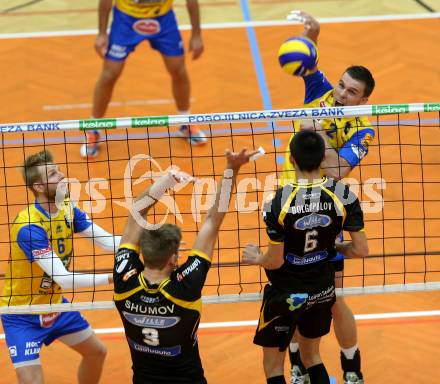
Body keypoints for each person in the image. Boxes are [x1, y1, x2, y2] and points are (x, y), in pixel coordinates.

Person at [280, 11, 376, 384]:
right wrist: (312, 34)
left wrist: (314, 132)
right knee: (285, 295)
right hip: (288, 202)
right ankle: (296, 364)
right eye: (340, 85)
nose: (340, 93)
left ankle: (351, 368)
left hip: (324, 211)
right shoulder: (319, 92)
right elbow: (307, 63)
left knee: (332, 299)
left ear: (364, 99)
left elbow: (338, 170)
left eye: (351, 91)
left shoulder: (364, 130)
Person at [113, 147, 257, 383]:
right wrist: (232, 169)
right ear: (173, 259)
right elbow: (213, 220)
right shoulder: (186, 286)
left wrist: (165, 181)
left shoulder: (123, 280)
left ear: (143, 253)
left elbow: (136, 213)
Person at [243, 131, 368, 384]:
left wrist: (257, 258)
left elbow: (275, 261)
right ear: (323, 158)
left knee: (273, 365)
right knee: (313, 357)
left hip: (285, 291)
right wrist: (336, 247)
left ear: (291, 160)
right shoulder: (344, 195)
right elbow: (360, 250)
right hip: (322, 288)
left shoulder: (276, 202)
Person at [0, 149, 121, 384]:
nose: (62, 175)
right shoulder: (30, 227)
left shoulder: (66, 207)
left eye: (58, 169)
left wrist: (146, 240)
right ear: (38, 187)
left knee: (97, 353)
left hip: (55, 306)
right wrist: (111, 278)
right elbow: (64, 278)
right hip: (22, 314)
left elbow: (107, 242)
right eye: (53, 174)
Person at [81, 0, 207, 158]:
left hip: (162, 19)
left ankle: (185, 121)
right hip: (126, 19)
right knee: (109, 74)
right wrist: (101, 33)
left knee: (178, 69)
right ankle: (94, 128)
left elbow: (191, 2)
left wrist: (196, 35)